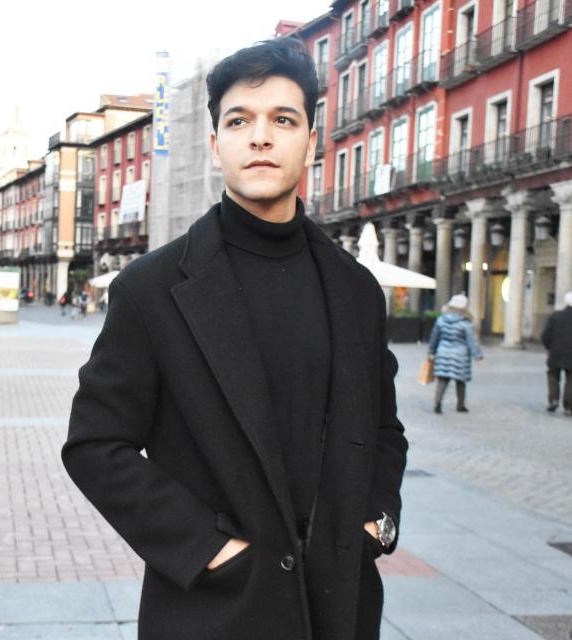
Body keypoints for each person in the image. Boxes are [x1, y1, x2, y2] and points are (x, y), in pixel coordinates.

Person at [61, 38, 407, 640]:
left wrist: (377, 519)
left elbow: (384, 429)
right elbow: (95, 445)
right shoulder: (153, 288)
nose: (261, 137)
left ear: (310, 138)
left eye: (283, 119)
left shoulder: (356, 289)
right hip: (215, 611)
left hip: (341, 606)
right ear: (216, 140)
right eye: (239, 120)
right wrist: (206, 548)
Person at [427, 294, 484, 414]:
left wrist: (431, 352)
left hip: (443, 353)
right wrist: (478, 356)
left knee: (442, 380)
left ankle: (437, 403)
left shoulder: (441, 320)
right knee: (460, 381)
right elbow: (472, 341)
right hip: (460, 355)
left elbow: (434, 337)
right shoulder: (465, 323)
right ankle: (460, 404)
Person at [541, 291, 572, 415]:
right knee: (571, 380)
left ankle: (553, 400)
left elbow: (545, 335)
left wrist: (549, 347)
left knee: (553, 376)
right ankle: (569, 406)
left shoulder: (555, 316)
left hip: (555, 353)